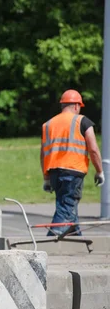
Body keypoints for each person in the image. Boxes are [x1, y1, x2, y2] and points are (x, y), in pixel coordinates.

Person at [41, 89, 104, 236]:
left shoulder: (48, 125)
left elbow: (43, 154)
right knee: (67, 208)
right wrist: (100, 171)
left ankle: (77, 239)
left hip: (54, 172)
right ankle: (52, 238)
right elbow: (93, 149)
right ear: (76, 106)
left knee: (67, 204)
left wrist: (46, 178)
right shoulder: (82, 121)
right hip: (73, 171)